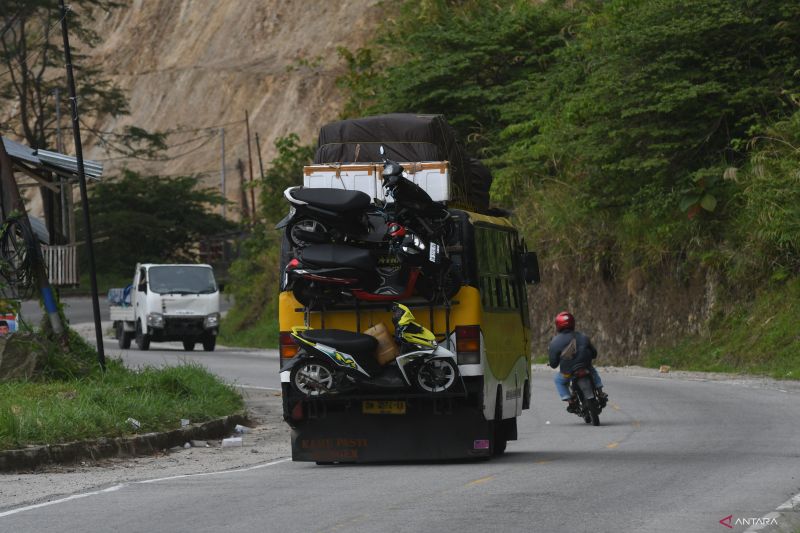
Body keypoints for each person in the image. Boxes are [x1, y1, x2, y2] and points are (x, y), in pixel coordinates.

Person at [548, 311, 607, 412]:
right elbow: (594, 354)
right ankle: (600, 392)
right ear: (573, 323)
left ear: (558, 325)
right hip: (586, 367)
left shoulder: (554, 342)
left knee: (558, 380)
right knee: (593, 371)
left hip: (568, 372)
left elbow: (553, 364)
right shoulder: (583, 336)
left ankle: (571, 401)